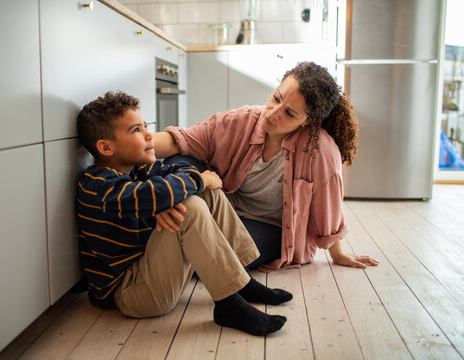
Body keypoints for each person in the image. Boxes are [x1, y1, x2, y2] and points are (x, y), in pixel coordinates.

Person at [75, 91, 294, 337]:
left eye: (146, 126)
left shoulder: (139, 171)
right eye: (136, 130)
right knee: (191, 203)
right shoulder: (97, 186)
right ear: (105, 147)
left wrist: (169, 197)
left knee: (204, 194)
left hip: (153, 272)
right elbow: (150, 195)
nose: (149, 135)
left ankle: (241, 281)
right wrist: (174, 193)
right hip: (131, 294)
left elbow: (180, 168)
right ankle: (229, 304)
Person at [154, 61, 379, 271]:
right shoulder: (240, 121)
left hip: (271, 228)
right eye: (276, 98)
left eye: (289, 113)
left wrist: (337, 253)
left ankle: (176, 240)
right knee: (176, 163)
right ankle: (175, 228)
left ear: (307, 121)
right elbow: (179, 140)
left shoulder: (320, 150)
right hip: (222, 210)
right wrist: (130, 147)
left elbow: (327, 205)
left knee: (226, 256)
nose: (273, 113)